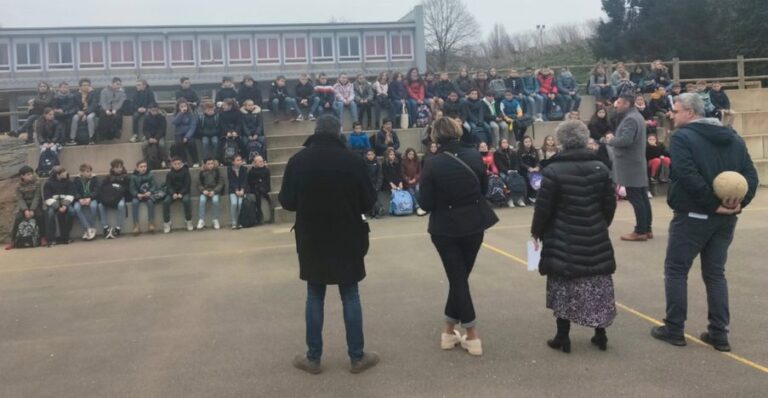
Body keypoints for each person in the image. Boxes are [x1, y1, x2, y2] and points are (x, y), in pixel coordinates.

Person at [651, 93, 758, 352]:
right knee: (715, 273)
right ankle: (719, 333)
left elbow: (686, 174)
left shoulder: (682, 138)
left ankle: (674, 328)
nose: (671, 115)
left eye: (675, 111)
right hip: (725, 219)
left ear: (689, 112)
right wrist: (738, 204)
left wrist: (713, 204)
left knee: (676, 270)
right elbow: (750, 175)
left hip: (693, 215)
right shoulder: (731, 136)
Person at [278, 114, 379, 375]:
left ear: (316, 131)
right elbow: (369, 201)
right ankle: (357, 357)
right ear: (338, 132)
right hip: (348, 235)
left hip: (312, 237)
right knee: (350, 293)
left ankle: (313, 358)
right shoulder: (353, 161)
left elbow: (287, 201)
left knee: (314, 294)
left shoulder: (298, 161)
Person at [531, 120, 617, 353]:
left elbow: (543, 208)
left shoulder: (553, 170)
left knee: (564, 285)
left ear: (561, 142)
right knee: (597, 284)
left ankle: (563, 336)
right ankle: (601, 334)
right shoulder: (601, 168)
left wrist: (536, 231)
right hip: (596, 233)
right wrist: (600, 224)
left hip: (562, 237)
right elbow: (609, 204)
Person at [418, 117, 499, 357]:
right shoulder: (475, 155)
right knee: (459, 277)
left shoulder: (432, 163)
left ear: (435, 136)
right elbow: (483, 189)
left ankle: (472, 335)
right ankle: (448, 331)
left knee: (458, 278)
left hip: (445, 227)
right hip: (474, 222)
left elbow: (425, 203)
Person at [606, 93, 651, 241]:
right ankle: (647, 228)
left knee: (636, 198)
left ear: (626, 104)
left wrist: (611, 140)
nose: (616, 105)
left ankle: (640, 231)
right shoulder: (636, 116)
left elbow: (626, 140)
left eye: (618, 102)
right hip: (635, 163)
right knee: (642, 197)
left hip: (630, 164)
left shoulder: (631, 119)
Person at [7, 166, 46, 249]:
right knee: (17, 218)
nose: (31, 176)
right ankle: (12, 241)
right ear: (22, 176)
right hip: (24, 206)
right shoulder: (18, 186)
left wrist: (32, 210)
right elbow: (20, 199)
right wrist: (25, 210)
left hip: (35, 205)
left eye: (31, 174)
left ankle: (43, 237)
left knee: (40, 216)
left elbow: (37, 197)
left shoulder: (37, 183)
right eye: (28, 174)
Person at [42, 166, 75, 247]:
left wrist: (64, 205)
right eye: (64, 172)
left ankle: (65, 237)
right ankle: (51, 239)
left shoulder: (69, 182)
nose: (66, 173)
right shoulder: (48, 183)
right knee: (50, 214)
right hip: (53, 204)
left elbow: (71, 194)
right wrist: (57, 207)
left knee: (71, 212)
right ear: (58, 174)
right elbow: (47, 197)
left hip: (65, 204)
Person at [98, 159, 128, 239]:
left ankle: (118, 228)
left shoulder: (126, 177)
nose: (119, 169)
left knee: (121, 205)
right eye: (117, 167)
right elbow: (102, 188)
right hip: (109, 197)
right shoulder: (108, 177)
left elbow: (127, 189)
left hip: (120, 197)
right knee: (100, 205)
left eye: (120, 167)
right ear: (112, 168)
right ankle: (105, 227)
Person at [162, 157, 193, 233]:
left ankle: (188, 220)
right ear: (172, 164)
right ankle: (167, 222)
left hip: (184, 193)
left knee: (186, 201)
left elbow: (187, 185)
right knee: (166, 202)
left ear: (182, 164)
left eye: (179, 164)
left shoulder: (186, 172)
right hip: (173, 193)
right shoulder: (169, 174)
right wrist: (173, 193)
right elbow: (168, 185)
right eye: (175, 164)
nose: (177, 165)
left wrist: (181, 193)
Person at [494, 138, 525, 207]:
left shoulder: (513, 152)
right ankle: (509, 199)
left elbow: (516, 163)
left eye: (506, 142)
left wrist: (516, 170)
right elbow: (499, 165)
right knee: (507, 180)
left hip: (513, 171)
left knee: (520, 179)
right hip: (503, 172)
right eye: (503, 143)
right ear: (500, 144)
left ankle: (519, 199)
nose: (505, 144)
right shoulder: (497, 153)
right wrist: (507, 171)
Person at [129, 160, 157, 235]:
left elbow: (154, 186)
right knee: (134, 203)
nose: (143, 168)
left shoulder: (150, 175)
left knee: (150, 202)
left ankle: (151, 223)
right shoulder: (133, 176)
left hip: (148, 194)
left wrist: (150, 192)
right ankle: (136, 225)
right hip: (138, 195)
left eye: (145, 166)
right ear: (137, 168)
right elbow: (132, 188)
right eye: (141, 167)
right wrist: (137, 194)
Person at [73, 163, 99, 241]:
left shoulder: (94, 179)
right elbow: (75, 191)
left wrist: (90, 198)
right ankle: (88, 228)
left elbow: (96, 191)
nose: (89, 173)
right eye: (87, 171)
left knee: (93, 207)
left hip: (92, 198)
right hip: (80, 199)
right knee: (76, 208)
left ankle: (90, 229)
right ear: (81, 172)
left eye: (90, 171)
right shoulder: (76, 179)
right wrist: (79, 199)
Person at [69, 78, 99, 145]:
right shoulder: (76, 94)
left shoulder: (93, 93)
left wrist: (85, 113)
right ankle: (72, 139)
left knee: (90, 118)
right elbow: (74, 105)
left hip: (91, 112)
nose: (86, 86)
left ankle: (91, 138)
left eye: (88, 85)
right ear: (80, 86)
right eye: (84, 85)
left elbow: (93, 105)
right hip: (80, 112)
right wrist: (78, 111)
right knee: (75, 118)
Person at [197, 158, 224, 230]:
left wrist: (214, 191)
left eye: (212, 163)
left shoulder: (217, 171)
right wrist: (203, 190)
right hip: (205, 191)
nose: (210, 165)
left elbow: (220, 183)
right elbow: (199, 184)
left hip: (215, 191)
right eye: (208, 164)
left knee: (215, 201)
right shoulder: (202, 172)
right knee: (202, 200)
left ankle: (215, 219)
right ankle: (201, 220)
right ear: (205, 165)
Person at [172, 100, 199, 167]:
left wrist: (187, 137)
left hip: (188, 134)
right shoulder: (177, 114)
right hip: (178, 134)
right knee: (179, 144)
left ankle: (196, 161)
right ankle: (184, 161)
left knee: (191, 143)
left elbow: (193, 126)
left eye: (185, 106)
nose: (184, 107)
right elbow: (175, 122)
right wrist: (181, 113)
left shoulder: (191, 114)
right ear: (178, 107)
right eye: (181, 106)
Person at [141, 103, 168, 168]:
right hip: (149, 137)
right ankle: (145, 161)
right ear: (150, 110)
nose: (154, 112)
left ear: (158, 110)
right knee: (144, 145)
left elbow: (162, 129)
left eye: (156, 110)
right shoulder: (146, 118)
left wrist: (156, 138)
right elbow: (145, 130)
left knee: (162, 145)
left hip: (159, 136)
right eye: (153, 110)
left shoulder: (162, 118)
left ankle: (164, 161)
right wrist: (149, 138)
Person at [247, 155, 272, 222]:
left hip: (264, 187)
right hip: (255, 188)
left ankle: (271, 213)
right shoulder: (251, 171)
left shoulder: (266, 170)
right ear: (255, 162)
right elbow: (250, 182)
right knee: (257, 194)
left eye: (262, 161)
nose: (261, 163)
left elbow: (267, 181)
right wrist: (258, 182)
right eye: (259, 162)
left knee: (266, 194)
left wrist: (261, 184)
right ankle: (259, 214)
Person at [401, 147, 426, 216]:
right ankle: (417, 207)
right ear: (407, 154)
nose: (411, 156)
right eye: (409, 154)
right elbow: (403, 174)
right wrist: (408, 180)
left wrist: (415, 179)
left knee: (418, 190)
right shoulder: (403, 162)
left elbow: (420, 172)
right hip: (407, 183)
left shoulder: (417, 161)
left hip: (416, 181)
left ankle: (421, 206)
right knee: (411, 192)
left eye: (412, 154)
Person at [227, 154, 248, 229]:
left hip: (242, 190)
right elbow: (232, 181)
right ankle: (234, 222)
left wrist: (242, 189)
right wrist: (236, 190)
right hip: (233, 190)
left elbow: (244, 181)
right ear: (233, 162)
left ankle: (240, 221)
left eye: (240, 160)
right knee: (234, 203)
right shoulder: (229, 169)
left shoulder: (244, 169)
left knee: (240, 203)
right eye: (238, 160)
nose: (240, 161)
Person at [519, 136, 541, 203]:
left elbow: (537, 161)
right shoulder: (519, 151)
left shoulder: (534, 150)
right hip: (524, 170)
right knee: (528, 178)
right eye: (526, 142)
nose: (528, 143)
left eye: (529, 141)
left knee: (539, 177)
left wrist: (537, 167)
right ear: (523, 143)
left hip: (534, 169)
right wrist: (528, 168)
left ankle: (535, 196)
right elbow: (521, 163)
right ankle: (530, 197)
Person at [363, 149, 383, 218]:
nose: (370, 156)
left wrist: (377, 186)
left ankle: (376, 211)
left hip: (376, 184)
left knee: (375, 195)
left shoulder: (378, 164)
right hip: (368, 184)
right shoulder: (364, 164)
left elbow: (380, 176)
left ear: (374, 155)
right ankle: (374, 211)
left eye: (372, 154)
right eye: (368, 155)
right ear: (366, 155)